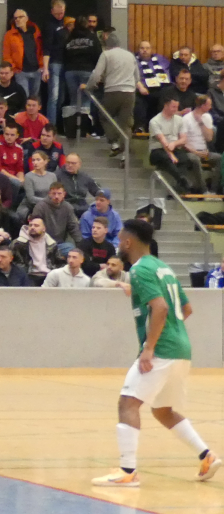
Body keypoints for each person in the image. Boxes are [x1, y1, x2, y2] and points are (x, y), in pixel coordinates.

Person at [92, 219, 221, 487]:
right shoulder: (163, 267)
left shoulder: (140, 269)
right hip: (180, 348)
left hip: (162, 349)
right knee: (163, 410)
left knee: (128, 403)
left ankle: (128, 471)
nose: (118, 243)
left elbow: (160, 308)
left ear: (128, 242)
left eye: (120, 239)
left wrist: (150, 347)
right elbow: (185, 309)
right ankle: (206, 456)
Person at [149, 96, 203, 193]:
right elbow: (162, 140)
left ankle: (180, 187)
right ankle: (182, 180)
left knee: (184, 159)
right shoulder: (154, 121)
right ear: (166, 106)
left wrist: (174, 143)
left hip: (174, 147)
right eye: (173, 107)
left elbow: (183, 139)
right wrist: (171, 154)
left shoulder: (179, 120)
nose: (176, 109)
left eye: (177, 107)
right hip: (158, 149)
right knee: (166, 158)